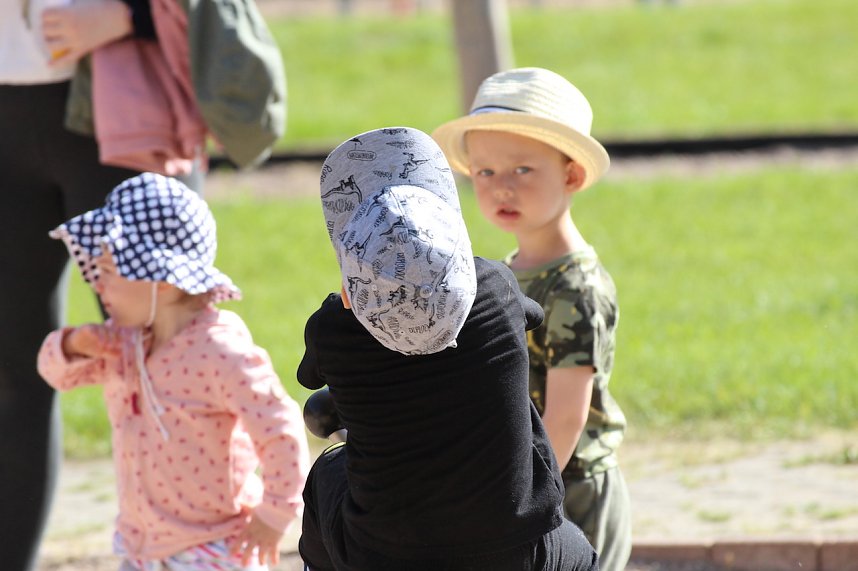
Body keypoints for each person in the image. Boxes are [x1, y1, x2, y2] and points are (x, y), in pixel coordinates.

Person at [1, 1, 285, 567]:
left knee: (178, 352)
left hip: (121, 102)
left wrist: (133, 14)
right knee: (10, 376)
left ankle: (213, 549)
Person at [297, 126, 599, 571]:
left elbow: (310, 377)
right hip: (522, 546)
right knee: (579, 556)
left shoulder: (333, 330)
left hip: (382, 554)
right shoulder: (496, 290)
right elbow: (528, 314)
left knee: (327, 474)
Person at [37, 173, 310, 569]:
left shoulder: (219, 351)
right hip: (140, 546)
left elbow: (279, 428)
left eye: (109, 272)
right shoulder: (122, 344)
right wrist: (73, 345)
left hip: (214, 548)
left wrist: (275, 514)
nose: (97, 286)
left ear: (161, 281)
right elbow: (56, 374)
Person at [432, 67, 631, 571]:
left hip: (569, 487)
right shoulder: (505, 272)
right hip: (518, 478)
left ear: (570, 174)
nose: (502, 188)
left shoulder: (575, 288)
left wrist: (526, 499)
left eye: (523, 170)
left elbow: (566, 417)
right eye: (485, 173)